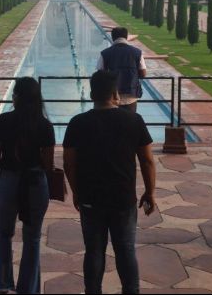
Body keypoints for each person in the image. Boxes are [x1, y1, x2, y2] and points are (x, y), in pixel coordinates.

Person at [64, 70, 156, 294]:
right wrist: (150, 192)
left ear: (92, 93)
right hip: (123, 198)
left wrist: (76, 191)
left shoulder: (78, 123)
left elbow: (69, 164)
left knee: (94, 252)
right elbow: (147, 160)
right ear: (115, 94)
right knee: (125, 251)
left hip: (90, 198)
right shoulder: (133, 120)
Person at [0, 77, 55, 294]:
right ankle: (29, 289)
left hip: (8, 180)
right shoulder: (44, 125)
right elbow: (48, 164)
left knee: (4, 233)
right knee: (32, 238)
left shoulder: (4, 121)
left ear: (16, 97)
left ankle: (1, 284)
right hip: (35, 182)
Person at [97, 27, 147, 113]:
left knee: (114, 124)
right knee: (130, 122)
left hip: (112, 96)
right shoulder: (137, 52)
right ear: (126, 37)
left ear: (113, 37)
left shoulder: (105, 53)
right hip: (131, 95)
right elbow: (143, 73)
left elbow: (100, 74)